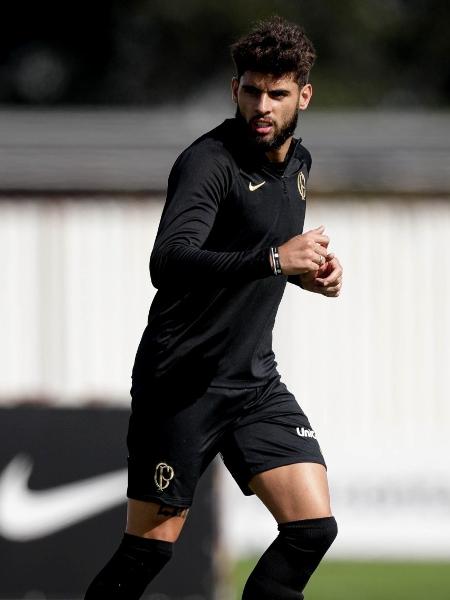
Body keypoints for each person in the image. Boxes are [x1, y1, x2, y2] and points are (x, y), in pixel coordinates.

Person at [84, 15, 343, 600]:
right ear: (235, 90)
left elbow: (256, 256)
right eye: (251, 90)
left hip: (253, 381)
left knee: (311, 528)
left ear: (303, 95)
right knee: (148, 550)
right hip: (183, 382)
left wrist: (307, 274)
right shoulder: (209, 162)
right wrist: (276, 261)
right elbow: (168, 261)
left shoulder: (299, 165)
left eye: (277, 94)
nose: (262, 105)